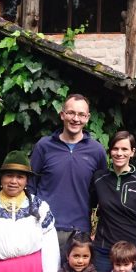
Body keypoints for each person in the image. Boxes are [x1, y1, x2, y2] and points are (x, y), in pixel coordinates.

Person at [31, 94, 107, 251]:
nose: (76, 118)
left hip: (79, 231)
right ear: (62, 115)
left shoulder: (97, 150)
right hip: (44, 227)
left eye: (81, 114)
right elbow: (30, 184)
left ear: (88, 118)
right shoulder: (44, 146)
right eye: (71, 113)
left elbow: (101, 191)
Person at [89, 130, 136, 272]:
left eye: (124, 149)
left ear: (133, 152)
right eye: (115, 148)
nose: (119, 153)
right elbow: (90, 205)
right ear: (110, 151)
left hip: (134, 251)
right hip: (104, 251)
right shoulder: (99, 178)